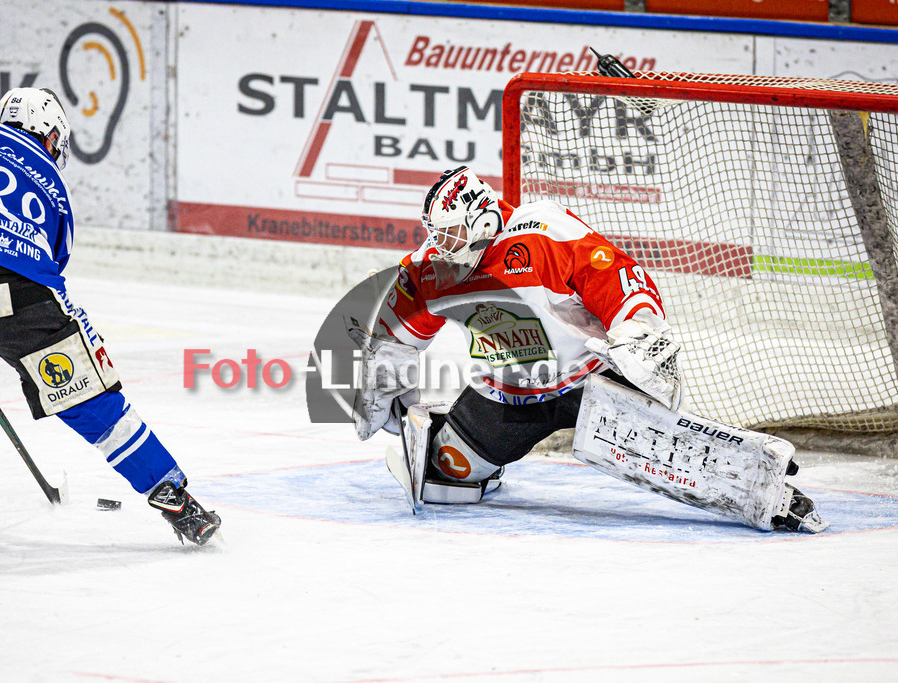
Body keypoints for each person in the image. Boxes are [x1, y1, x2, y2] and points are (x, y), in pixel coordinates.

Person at [351, 166, 824, 533]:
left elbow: (615, 275)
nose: (443, 246)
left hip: (589, 381)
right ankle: (450, 435)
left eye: (452, 234)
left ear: (483, 216)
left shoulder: (541, 231)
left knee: (665, 455)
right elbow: (395, 331)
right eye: (438, 235)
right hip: (506, 399)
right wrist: (384, 379)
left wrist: (639, 331)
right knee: (444, 481)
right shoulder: (433, 268)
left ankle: (768, 492)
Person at [0, 88, 220, 545]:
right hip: (17, 296)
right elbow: (50, 268)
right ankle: (172, 496)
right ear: (54, 135)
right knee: (85, 391)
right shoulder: (58, 193)